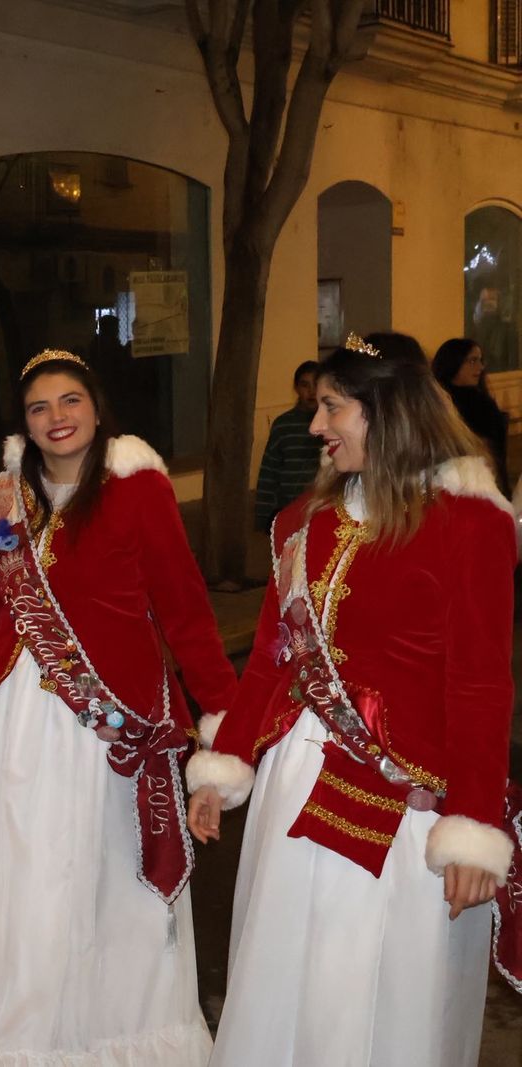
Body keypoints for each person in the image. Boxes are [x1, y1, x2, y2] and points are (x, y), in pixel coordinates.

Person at [0, 350, 238, 1066]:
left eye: (69, 401)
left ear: (95, 407)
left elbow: (186, 615)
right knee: (3, 869)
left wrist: (222, 729)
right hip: (13, 721)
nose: (57, 417)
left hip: (107, 722)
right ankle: (3, 1019)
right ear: (23, 422)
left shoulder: (137, 488)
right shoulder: (3, 498)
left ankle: (93, 1029)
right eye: (39, 407)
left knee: (93, 876)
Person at [186, 334, 519, 1066]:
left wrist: (473, 822)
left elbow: (481, 681)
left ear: (385, 411)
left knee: (380, 991)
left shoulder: (472, 521)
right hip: (297, 786)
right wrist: (226, 762)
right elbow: (274, 656)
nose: (315, 425)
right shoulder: (300, 522)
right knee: (285, 973)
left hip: (407, 811)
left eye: (332, 406)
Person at [433, 337, 510, 490]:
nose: (480, 367)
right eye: (473, 361)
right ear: (454, 363)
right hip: (462, 483)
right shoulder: (439, 403)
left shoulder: (481, 401)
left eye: (480, 360)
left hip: (487, 481)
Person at [253, 360, 321, 531]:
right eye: (305, 385)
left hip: (322, 508)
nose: (311, 391)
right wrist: (264, 513)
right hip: (290, 507)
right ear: (296, 388)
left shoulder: (332, 424)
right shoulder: (283, 425)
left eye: (316, 385)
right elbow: (269, 471)